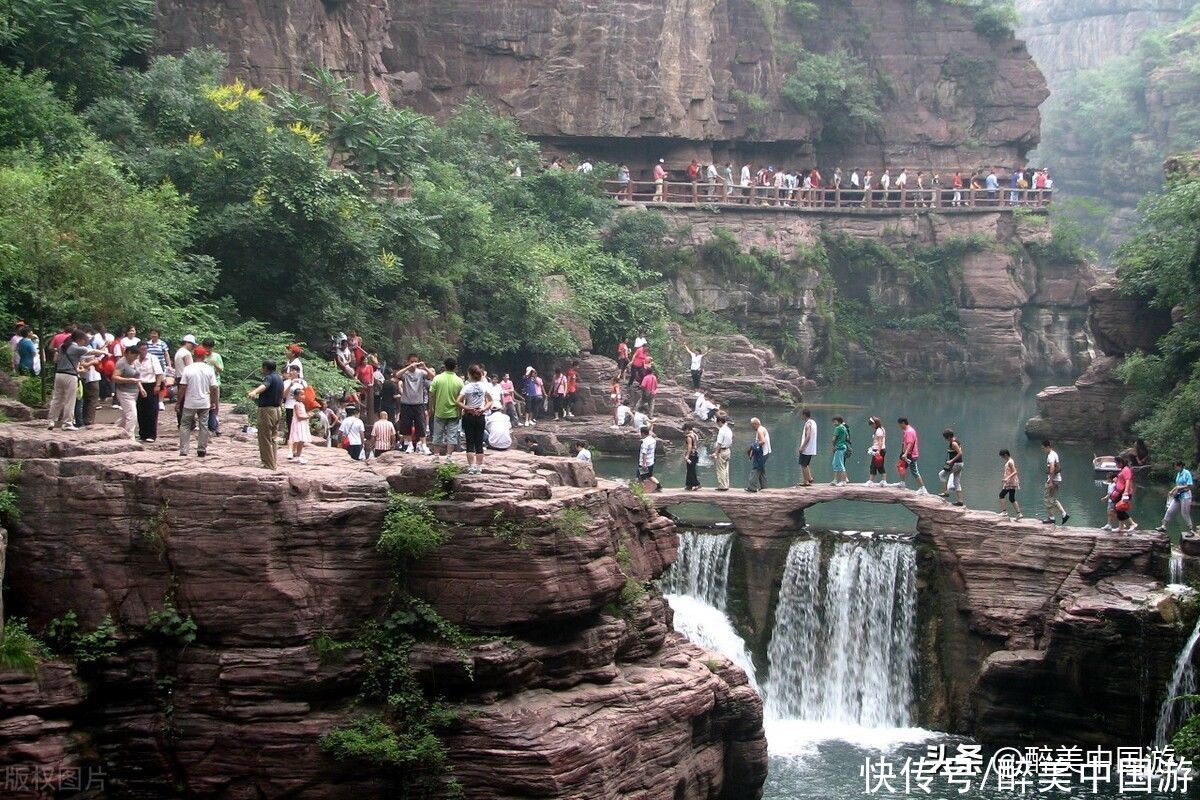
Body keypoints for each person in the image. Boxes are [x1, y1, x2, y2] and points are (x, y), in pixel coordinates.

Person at [47, 331, 105, 431]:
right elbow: (91, 352)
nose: (85, 342)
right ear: (79, 339)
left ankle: (51, 420)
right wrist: (104, 352)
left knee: (57, 399)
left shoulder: (62, 346)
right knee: (70, 400)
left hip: (59, 374)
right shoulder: (76, 348)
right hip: (70, 376)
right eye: (84, 340)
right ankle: (67, 423)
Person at [177, 346, 217, 457]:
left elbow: (183, 386)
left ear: (194, 355)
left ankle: (184, 450)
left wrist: (178, 402)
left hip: (190, 402)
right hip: (204, 402)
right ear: (204, 356)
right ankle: (201, 449)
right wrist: (213, 402)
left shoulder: (188, 369)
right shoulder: (209, 369)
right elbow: (214, 387)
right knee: (203, 425)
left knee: (185, 425)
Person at [246, 361, 285, 470]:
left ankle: (268, 464)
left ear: (265, 368)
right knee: (273, 437)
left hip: (267, 411)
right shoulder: (279, 378)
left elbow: (264, 386)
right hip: (277, 410)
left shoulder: (269, 378)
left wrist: (254, 392)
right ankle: (273, 462)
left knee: (265, 438)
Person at [456, 364, 492, 475]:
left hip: (469, 416)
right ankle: (479, 467)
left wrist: (468, 408)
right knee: (479, 441)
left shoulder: (467, 387)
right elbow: (490, 401)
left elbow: (458, 401)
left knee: (470, 441)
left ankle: (471, 467)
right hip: (480, 416)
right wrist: (483, 409)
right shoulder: (484, 386)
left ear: (470, 375)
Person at [396, 355, 435, 454]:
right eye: (412, 361)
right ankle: (409, 445)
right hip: (406, 403)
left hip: (418, 403)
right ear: (408, 361)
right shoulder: (405, 373)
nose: (414, 363)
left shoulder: (421, 373)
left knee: (421, 425)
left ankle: (424, 445)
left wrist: (425, 367)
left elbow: (432, 377)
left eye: (415, 361)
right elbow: (397, 375)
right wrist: (407, 367)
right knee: (406, 425)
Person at [430, 358, 465, 464]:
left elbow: (432, 395)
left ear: (444, 366)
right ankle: (449, 457)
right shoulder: (459, 381)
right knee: (452, 435)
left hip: (439, 411)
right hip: (454, 412)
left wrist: (431, 407)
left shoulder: (437, 378)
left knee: (437, 434)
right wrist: (461, 410)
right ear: (455, 367)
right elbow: (462, 398)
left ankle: (436, 456)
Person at [134, 341, 164, 442]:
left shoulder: (152, 358)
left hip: (151, 385)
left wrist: (158, 385)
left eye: (146, 349)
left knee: (151, 410)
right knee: (140, 409)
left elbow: (159, 373)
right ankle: (142, 433)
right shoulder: (135, 359)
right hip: (138, 385)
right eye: (142, 349)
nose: (144, 351)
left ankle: (151, 434)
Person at [111, 345, 143, 439]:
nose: (136, 357)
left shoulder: (136, 362)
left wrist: (141, 388)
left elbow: (137, 377)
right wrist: (129, 380)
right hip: (124, 392)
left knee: (126, 415)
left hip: (134, 391)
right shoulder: (121, 363)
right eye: (135, 355)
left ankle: (116, 430)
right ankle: (130, 436)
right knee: (132, 414)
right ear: (129, 353)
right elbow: (115, 377)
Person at [1157, 461, 1195, 535]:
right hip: (1178, 495)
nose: (1175, 468)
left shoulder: (1186, 473)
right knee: (1169, 510)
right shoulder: (1178, 474)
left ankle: (1191, 530)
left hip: (1186, 496)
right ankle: (1163, 526)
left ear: (1180, 466)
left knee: (1185, 513)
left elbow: (1190, 485)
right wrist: (1172, 491)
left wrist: (1179, 487)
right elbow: (1177, 485)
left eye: (1176, 466)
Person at [1041, 440, 1070, 525]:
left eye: (1043, 448)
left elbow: (1052, 467)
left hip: (1053, 480)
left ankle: (1052, 518)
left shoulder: (1051, 456)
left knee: (1047, 498)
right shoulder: (1054, 454)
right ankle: (1064, 514)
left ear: (1048, 447)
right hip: (1056, 479)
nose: (1043, 450)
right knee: (1052, 498)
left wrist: (1050, 481)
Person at [898, 418, 927, 494]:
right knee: (901, 466)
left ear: (903, 423)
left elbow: (910, 444)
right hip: (907, 454)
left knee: (914, 471)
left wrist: (905, 454)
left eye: (900, 424)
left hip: (911, 455)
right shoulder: (908, 431)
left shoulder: (909, 431)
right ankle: (902, 483)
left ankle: (922, 488)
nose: (900, 426)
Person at [202, 337, 224, 436]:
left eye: (209, 348)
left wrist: (215, 364)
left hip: (215, 382)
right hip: (203, 383)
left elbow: (221, 370)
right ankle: (205, 422)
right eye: (206, 347)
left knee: (215, 403)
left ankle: (215, 421)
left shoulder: (216, 356)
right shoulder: (201, 356)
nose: (207, 350)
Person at [939, 429, 965, 506]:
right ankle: (960, 501)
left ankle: (946, 492)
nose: (946, 439)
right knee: (956, 482)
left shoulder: (953, 443)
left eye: (946, 438)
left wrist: (951, 461)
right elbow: (960, 449)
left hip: (956, 464)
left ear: (949, 437)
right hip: (959, 464)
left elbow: (960, 453)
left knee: (941, 475)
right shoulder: (956, 440)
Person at [288, 387, 313, 463]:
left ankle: (298, 454)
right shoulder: (296, 404)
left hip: (302, 424)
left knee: (301, 440)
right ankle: (297, 454)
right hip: (298, 424)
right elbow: (299, 416)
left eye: (303, 394)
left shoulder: (302, 404)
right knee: (299, 439)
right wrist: (308, 416)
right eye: (301, 395)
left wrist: (307, 415)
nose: (303, 396)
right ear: (296, 396)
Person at [282, 366, 306, 445]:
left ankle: (298, 442)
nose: (291, 372)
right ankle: (291, 442)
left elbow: (306, 395)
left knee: (300, 425)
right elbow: (284, 396)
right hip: (290, 406)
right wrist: (290, 384)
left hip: (300, 406)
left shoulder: (303, 382)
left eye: (293, 370)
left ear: (298, 372)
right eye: (290, 370)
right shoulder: (286, 382)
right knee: (291, 425)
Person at [746, 417, 769, 492]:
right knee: (761, 470)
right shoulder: (762, 429)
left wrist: (752, 446)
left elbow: (762, 441)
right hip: (766, 453)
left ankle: (752, 487)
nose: (751, 427)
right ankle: (764, 487)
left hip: (762, 454)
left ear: (756, 424)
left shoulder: (760, 430)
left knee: (755, 469)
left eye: (752, 425)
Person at [999, 449, 1022, 519]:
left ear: (1006, 455)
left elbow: (1015, 471)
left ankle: (1004, 512)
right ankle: (1019, 513)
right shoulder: (1010, 461)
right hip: (1012, 482)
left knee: (1001, 495)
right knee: (1011, 498)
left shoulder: (1010, 462)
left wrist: (1007, 478)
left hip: (1010, 483)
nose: (1003, 458)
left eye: (1003, 457)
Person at [798, 408, 817, 487]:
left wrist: (802, 447)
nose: (801, 416)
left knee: (803, 465)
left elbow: (808, 436)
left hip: (806, 448)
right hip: (811, 448)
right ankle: (809, 478)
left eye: (801, 415)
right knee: (806, 464)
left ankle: (806, 481)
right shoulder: (813, 422)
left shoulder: (808, 424)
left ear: (804, 415)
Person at [713, 414, 733, 491]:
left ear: (720, 422)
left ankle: (722, 485)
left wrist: (715, 453)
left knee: (720, 469)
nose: (717, 424)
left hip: (722, 451)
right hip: (728, 450)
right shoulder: (729, 429)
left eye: (717, 422)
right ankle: (726, 484)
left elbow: (719, 443)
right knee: (726, 468)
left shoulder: (722, 431)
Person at [866, 416, 887, 486]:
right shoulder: (881, 429)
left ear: (875, 423)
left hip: (879, 450)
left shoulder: (879, 431)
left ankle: (871, 481)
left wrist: (878, 451)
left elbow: (880, 442)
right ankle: (883, 480)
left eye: (872, 424)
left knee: (873, 465)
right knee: (879, 465)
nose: (872, 426)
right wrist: (872, 448)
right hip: (878, 449)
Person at [831, 415, 850, 486]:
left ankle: (843, 481)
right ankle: (835, 480)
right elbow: (847, 437)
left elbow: (833, 439)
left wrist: (833, 446)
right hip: (843, 447)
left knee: (840, 464)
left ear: (838, 421)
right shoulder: (844, 427)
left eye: (835, 421)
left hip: (839, 448)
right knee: (835, 463)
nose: (834, 423)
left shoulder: (838, 428)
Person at [638, 424, 659, 489]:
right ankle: (659, 486)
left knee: (640, 478)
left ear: (643, 433)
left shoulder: (645, 442)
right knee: (650, 476)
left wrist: (644, 464)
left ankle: (641, 490)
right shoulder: (652, 440)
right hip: (651, 462)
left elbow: (644, 453)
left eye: (640, 433)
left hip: (644, 463)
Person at [683, 422, 701, 491]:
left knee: (691, 470)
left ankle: (696, 484)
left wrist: (687, 456)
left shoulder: (689, 437)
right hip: (695, 453)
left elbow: (689, 446)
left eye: (685, 430)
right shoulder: (695, 435)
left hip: (691, 454)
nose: (684, 432)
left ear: (687, 429)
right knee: (691, 469)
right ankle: (689, 485)